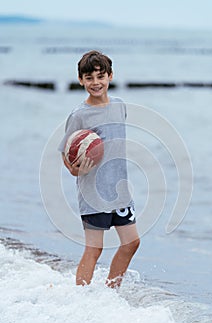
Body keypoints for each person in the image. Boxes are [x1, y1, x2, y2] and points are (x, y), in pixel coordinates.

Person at [58, 50, 140, 288]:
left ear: (110, 76)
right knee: (95, 248)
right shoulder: (79, 115)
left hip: (120, 192)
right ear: (81, 80)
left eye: (100, 77)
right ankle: (81, 297)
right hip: (93, 194)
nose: (96, 83)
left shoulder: (120, 106)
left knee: (131, 243)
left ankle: (110, 293)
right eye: (89, 78)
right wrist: (75, 170)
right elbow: (66, 153)